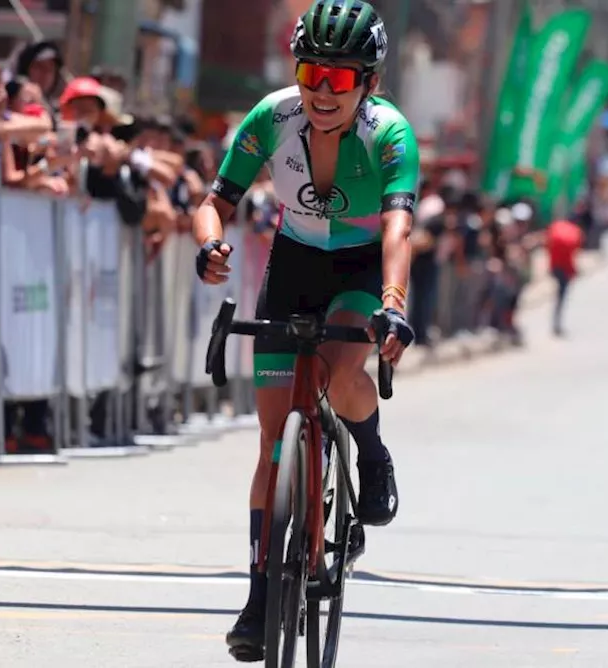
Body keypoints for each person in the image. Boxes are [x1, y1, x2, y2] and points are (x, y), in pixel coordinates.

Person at [192, 1, 417, 660]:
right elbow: (217, 201)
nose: (321, 90)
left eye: (340, 79)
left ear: (368, 83)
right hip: (293, 261)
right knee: (271, 443)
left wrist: (394, 301)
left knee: (346, 370)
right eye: (312, 72)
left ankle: (370, 451)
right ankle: (261, 597)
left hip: (359, 264)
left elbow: (400, 224)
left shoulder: (392, 134)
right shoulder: (271, 117)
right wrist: (208, 248)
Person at [545, 215, 583, 338]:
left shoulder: (555, 228)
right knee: (561, 297)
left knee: (558, 296)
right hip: (565, 269)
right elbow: (575, 252)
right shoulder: (575, 232)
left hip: (555, 267)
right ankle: (557, 324)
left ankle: (556, 323)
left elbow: (547, 245)